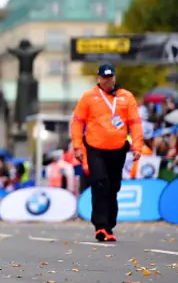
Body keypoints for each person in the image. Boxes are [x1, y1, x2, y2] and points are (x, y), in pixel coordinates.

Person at [70, 63, 142, 242]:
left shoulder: (126, 97)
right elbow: (77, 122)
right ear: (98, 78)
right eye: (104, 78)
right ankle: (100, 226)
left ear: (114, 78)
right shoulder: (88, 97)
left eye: (110, 77)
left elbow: (135, 123)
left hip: (118, 149)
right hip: (95, 149)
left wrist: (137, 146)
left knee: (113, 187)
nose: (107, 81)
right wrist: (78, 147)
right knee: (100, 183)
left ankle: (109, 224)